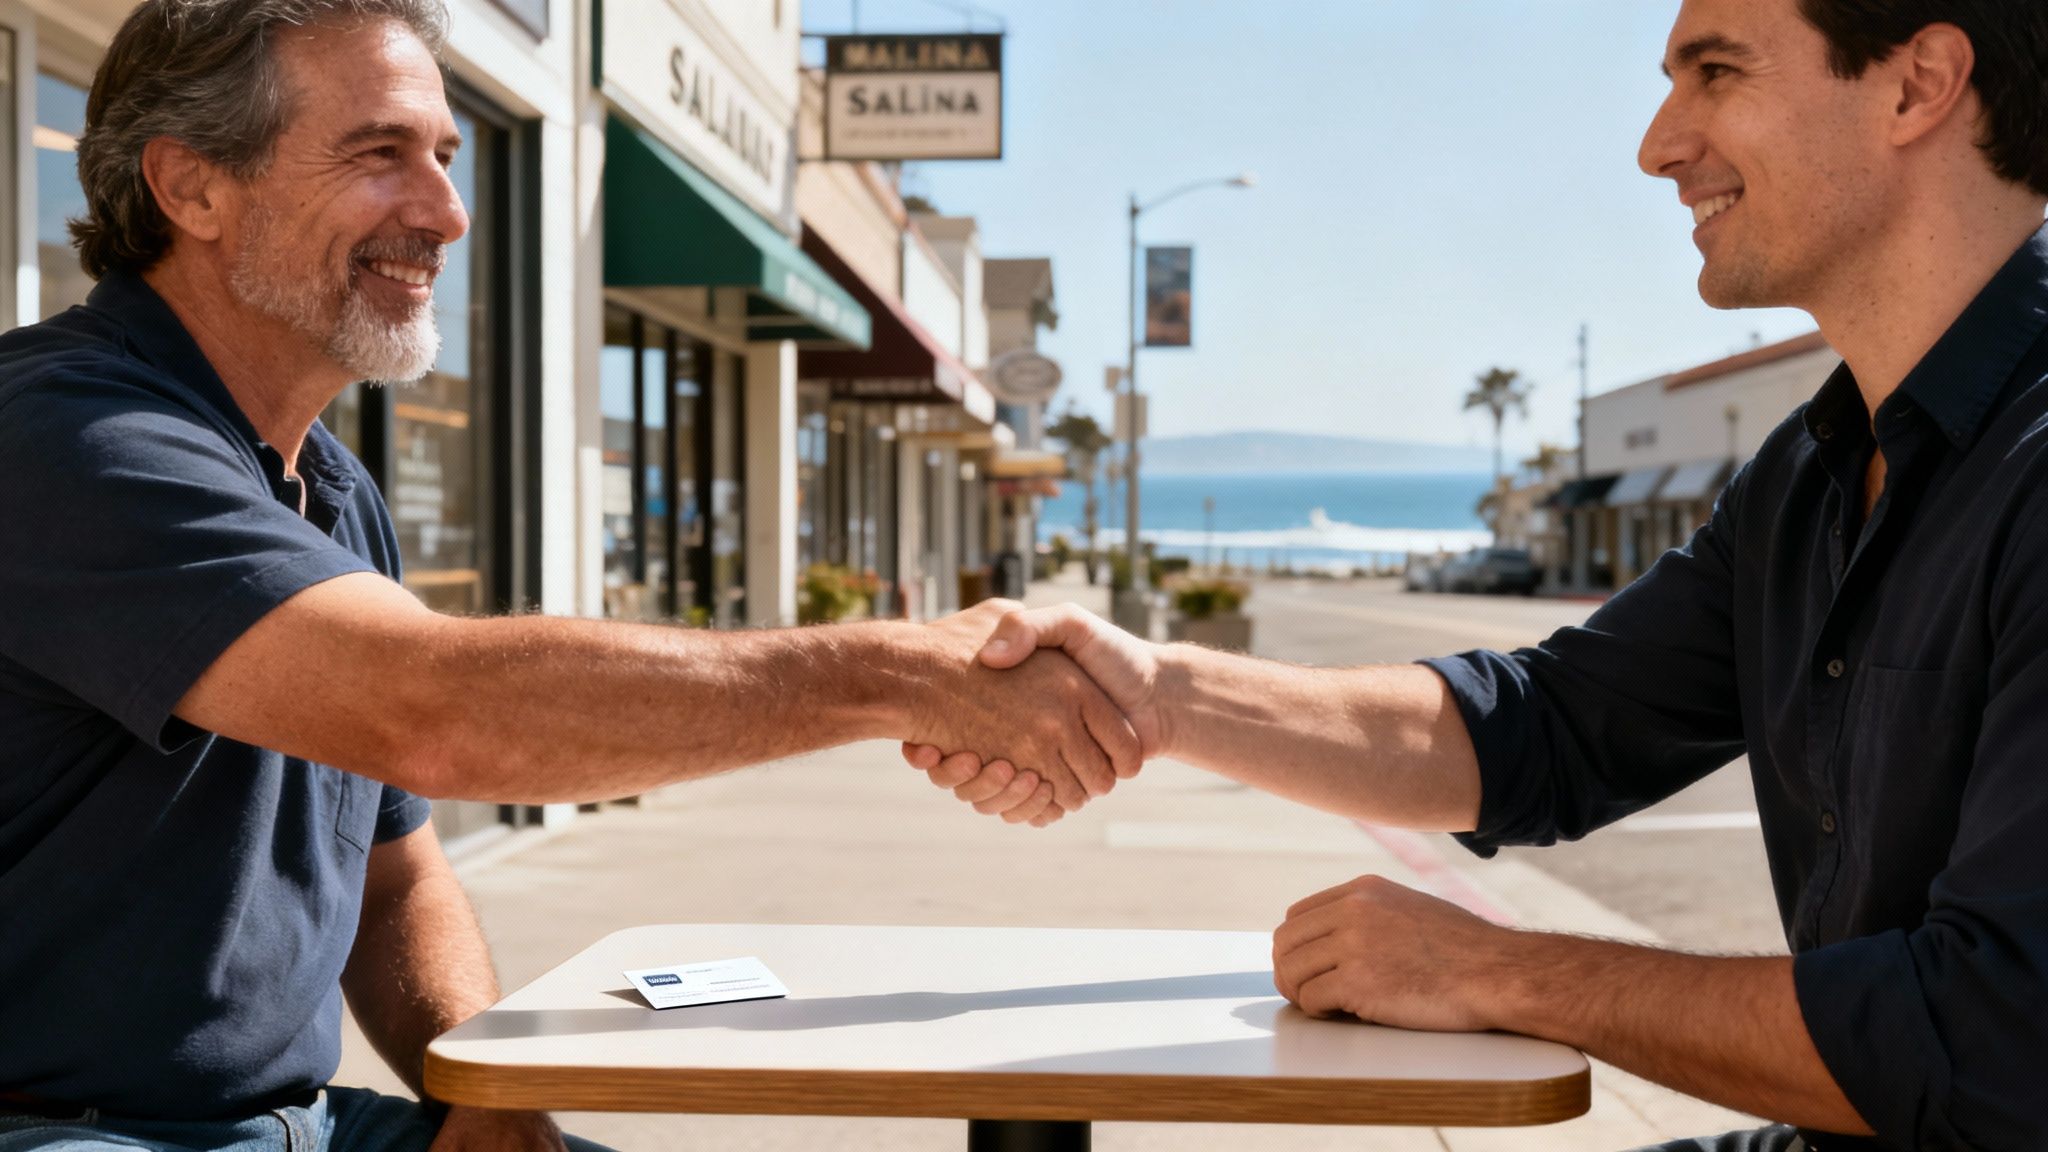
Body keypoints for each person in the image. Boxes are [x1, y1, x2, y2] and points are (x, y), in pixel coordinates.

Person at [0, 1, 1140, 1148]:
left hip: (291, 1123)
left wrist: (477, 1093)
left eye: (444, 156)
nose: (446, 211)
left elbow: (398, 882)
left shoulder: (332, 491)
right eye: (378, 154)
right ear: (190, 188)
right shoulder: (65, 439)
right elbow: (431, 710)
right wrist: (899, 674)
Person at [911, 1, 2048, 1148]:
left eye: (1714, 72)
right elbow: (1544, 730)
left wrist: (1499, 970)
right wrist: (1152, 694)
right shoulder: (1805, 476)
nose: (1657, 142)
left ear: (1916, 86)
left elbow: (1992, 1042)